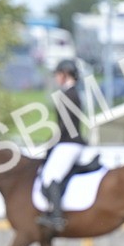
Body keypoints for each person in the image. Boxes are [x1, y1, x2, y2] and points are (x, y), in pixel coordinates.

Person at [37, 59, 88, 233]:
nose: (57, 78)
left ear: (65, 74)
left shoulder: (69, 95)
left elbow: (65, 127)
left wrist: (52, 144)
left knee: (51, 176)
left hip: (69, 143)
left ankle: (57, 217)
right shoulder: (70, 93)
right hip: (68, 142)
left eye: (58, 74)